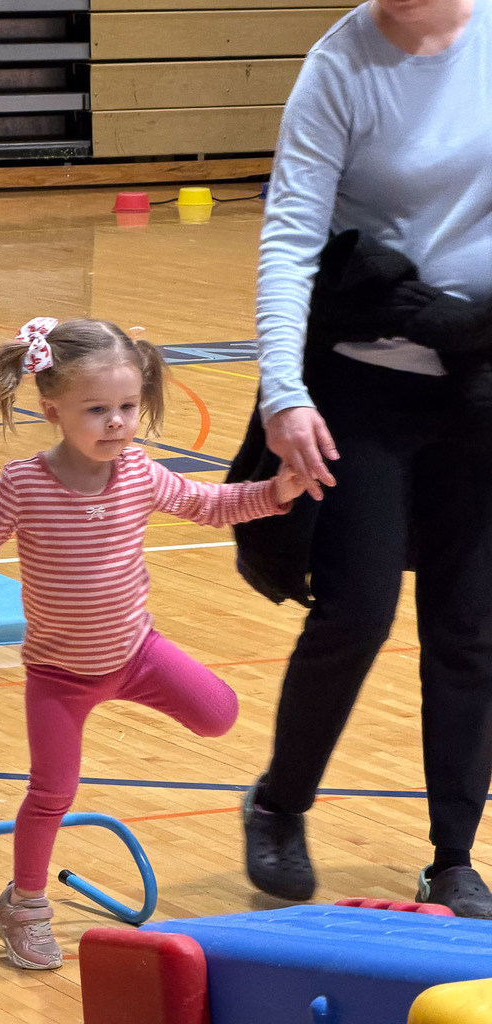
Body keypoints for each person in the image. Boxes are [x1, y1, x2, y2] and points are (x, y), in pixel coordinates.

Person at [0, 316, 304, 970]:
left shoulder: (138, 473)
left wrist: (274, 494)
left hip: (135, 655)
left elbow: (208, 504)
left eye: (128, 407)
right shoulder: (26, 483)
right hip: (59, 677)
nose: (117, 422)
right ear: (54, 411)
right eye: (97, 410)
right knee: (52, 792)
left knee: (220, 714)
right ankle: (24, 906)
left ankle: (27, 900)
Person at [242, 0, 492, 917]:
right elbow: (291, 237)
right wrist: (283, 393)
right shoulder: (337, 66)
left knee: (469, 625)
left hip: (477, 381)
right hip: (361, 383)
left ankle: (454, 857)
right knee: (358, 608)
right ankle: (279, 803)